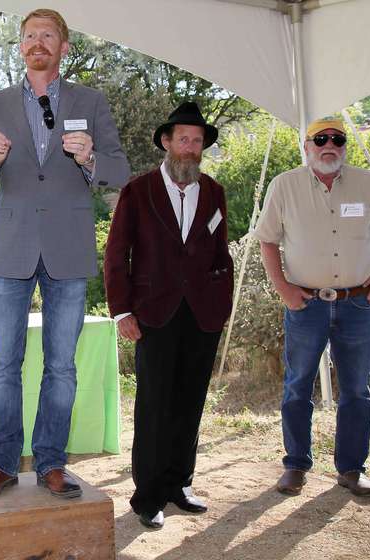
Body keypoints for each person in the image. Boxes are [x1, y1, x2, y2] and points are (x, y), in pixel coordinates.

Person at [0, 8, 130, 499]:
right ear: (20, 47)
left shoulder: (91, 102)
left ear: (63, 47)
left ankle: (52, 462)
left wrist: (90, 157)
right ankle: (1, 463)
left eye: (48, 36)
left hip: (68, 250)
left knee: (61, 366)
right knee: (1, 365)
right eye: (30, 35)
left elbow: (118, 172)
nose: (38, 42)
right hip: (11, 249)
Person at [104, 102, 233, 529]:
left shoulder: (213, 192)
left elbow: (221, 256)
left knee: (190, 401)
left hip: (202, 315)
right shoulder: (137, 191)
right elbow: (116, 254)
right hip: (153, 313)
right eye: (184, 139)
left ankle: (180, 484)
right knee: (155, 404)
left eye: (197, 141)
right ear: (166, 142)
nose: (190, 148)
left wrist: (222, 305)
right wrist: (122, 310)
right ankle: (149, 496)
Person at [254, 116, 370, 497]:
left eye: (337, 140)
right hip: (305, 303)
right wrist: (284, 289)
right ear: (306, 147)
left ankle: (353, 469)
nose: (329, 145)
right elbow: (267, 242)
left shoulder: (368, 183)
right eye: (320, 139)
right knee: (297, 384)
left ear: (345, 147)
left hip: (358, 304)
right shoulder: (284, 185)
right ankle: (295, 465)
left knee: (357, 389)